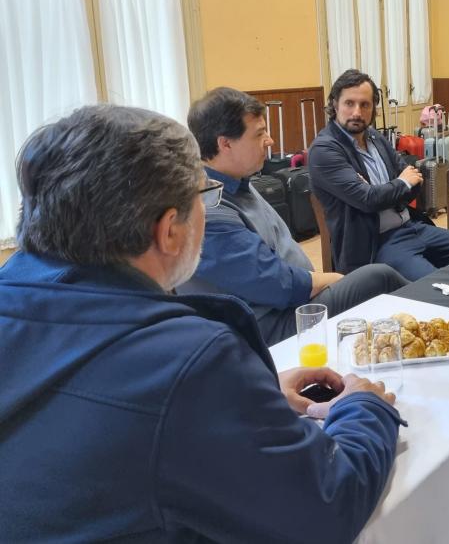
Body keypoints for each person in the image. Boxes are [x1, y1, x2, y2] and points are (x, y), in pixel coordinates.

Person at [0, 105, 402, 542]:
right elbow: (326, 508)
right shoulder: (188, 361)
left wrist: (248, 398)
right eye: (205, 196)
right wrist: (364, 407)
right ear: (169, 230)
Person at [179, 87, 408, 346]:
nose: (270, 141)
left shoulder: (236, 182)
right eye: (259, 134)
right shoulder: (209, 209)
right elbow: (276, 283)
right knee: (378, 278)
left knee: (374, 287)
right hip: (268, 327)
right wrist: (330, 279)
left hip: (290, 303)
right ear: (225, 143)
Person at [309, 69, 449, 280]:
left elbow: (415, 183)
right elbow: (368, 200)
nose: (357, 112)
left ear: (374, 109)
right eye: (349, 103)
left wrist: (391, 187)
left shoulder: (374, 137)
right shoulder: (325, 150)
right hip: (376, 243)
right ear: (335, 105)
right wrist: (400, 183)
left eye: (365, 104)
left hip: (413, 227)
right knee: (437, 284)